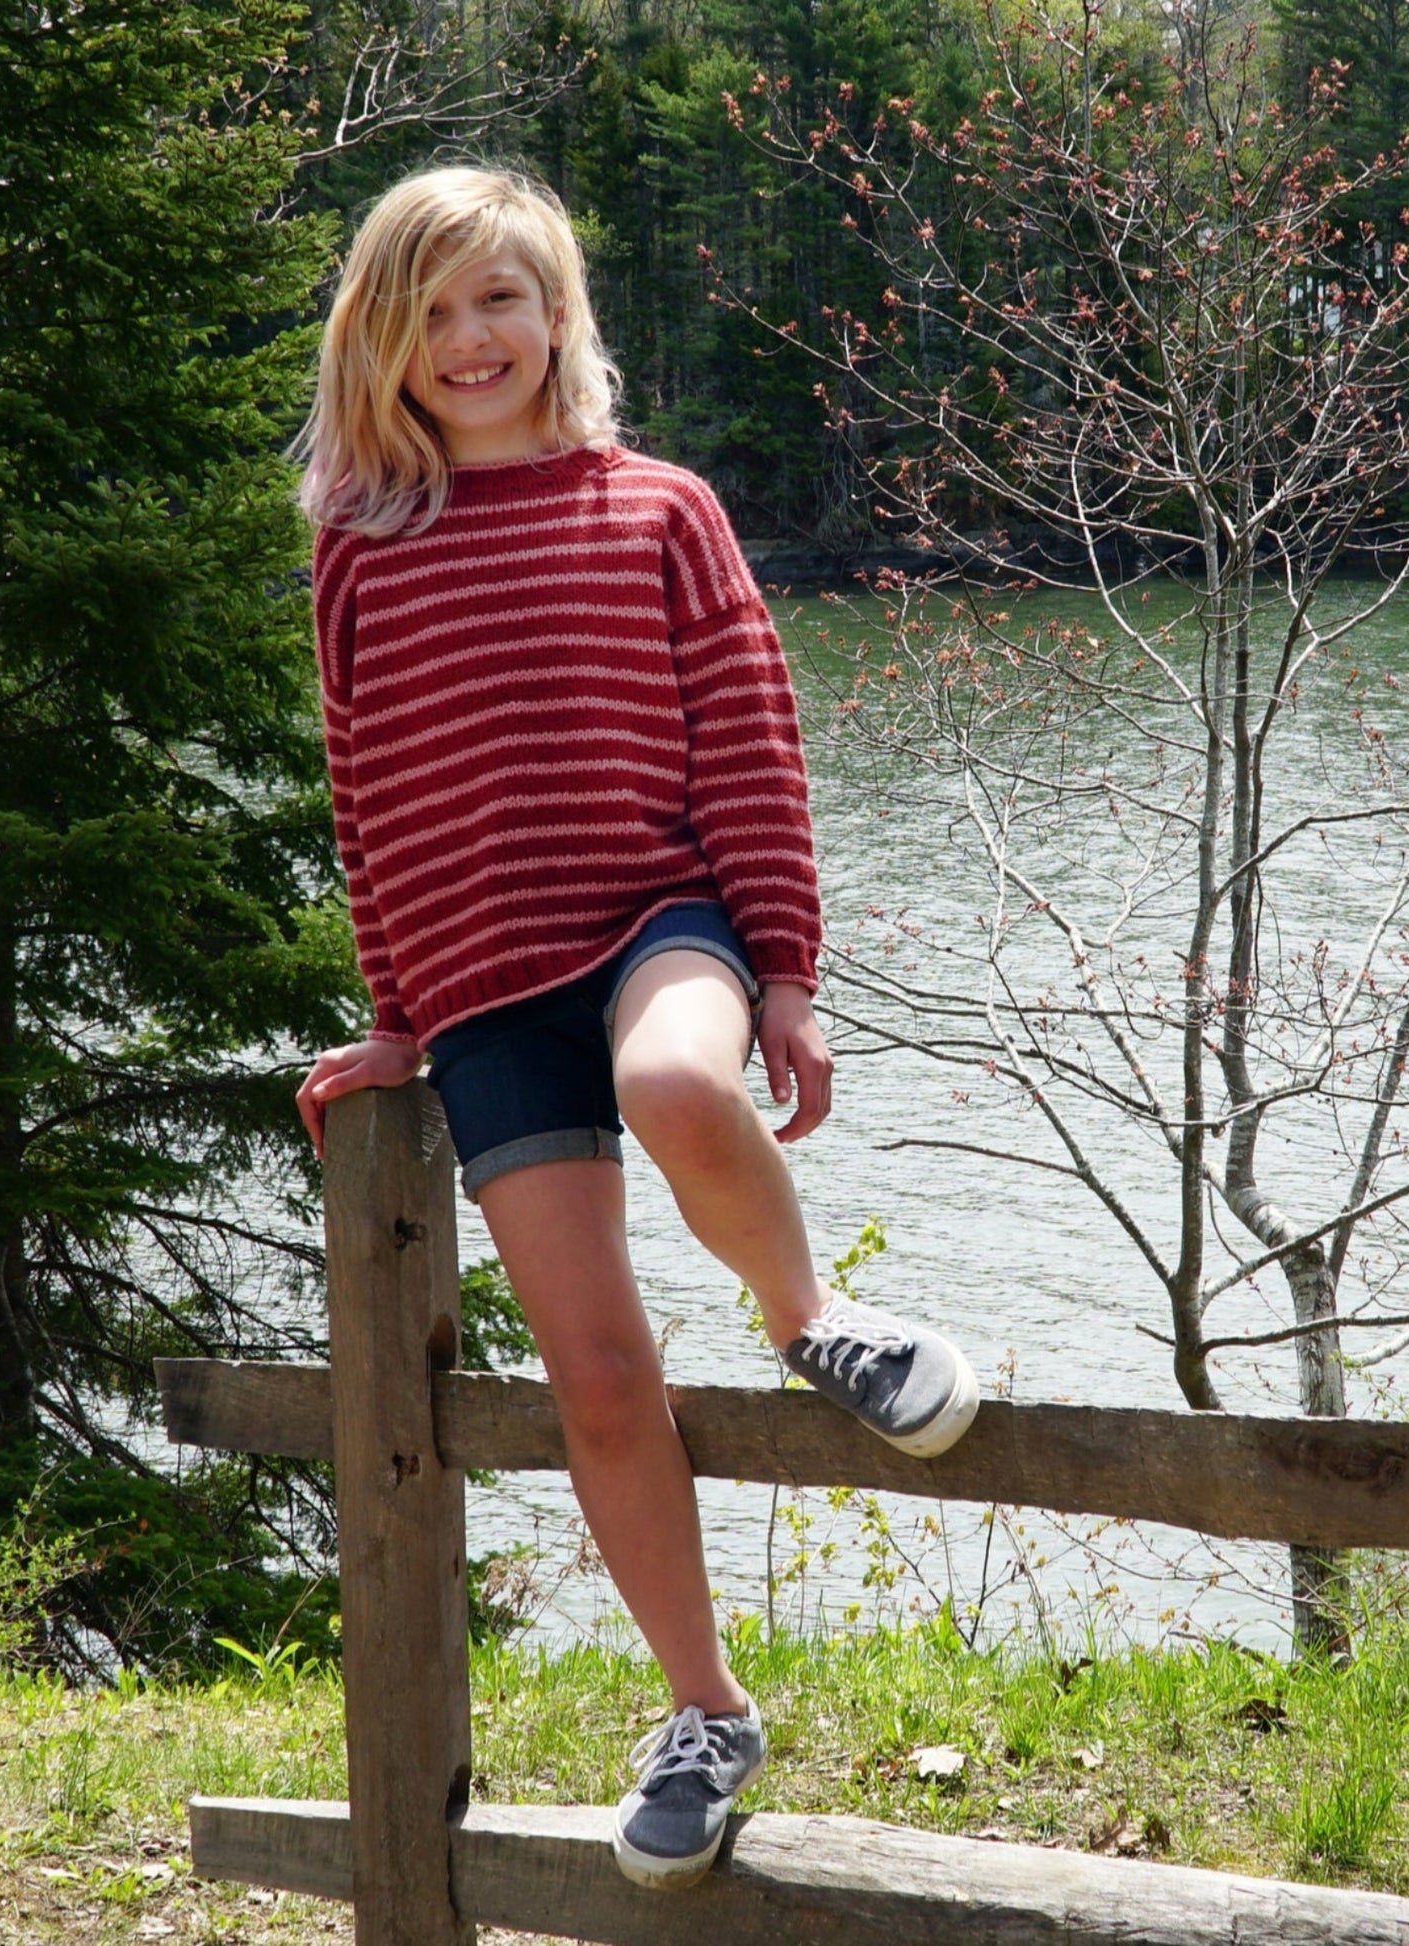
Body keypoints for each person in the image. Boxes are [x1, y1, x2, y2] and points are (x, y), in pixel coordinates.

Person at [290, 165, 979, 1890]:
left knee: (676, 1076)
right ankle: (706, 1707)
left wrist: (791, 972)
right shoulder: (364, 551)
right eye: (431, 312)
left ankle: (813, 1315)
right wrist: (394, 1018)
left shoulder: (656, 505)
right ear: (378, 340)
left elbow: (749, 739)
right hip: (481, 992)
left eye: (500, 301)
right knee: (596, 1375)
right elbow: (363, 795)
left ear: (558, 316)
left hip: (659, 923)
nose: (470, 339)